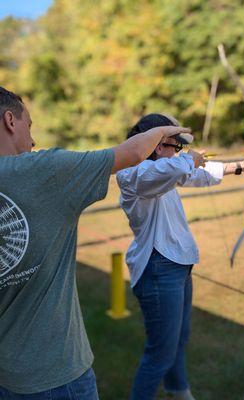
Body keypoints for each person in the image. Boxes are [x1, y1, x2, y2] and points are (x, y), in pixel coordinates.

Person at [0, 87, 191, 399]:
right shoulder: (42, 170)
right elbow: (130, 154)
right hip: (58, 375)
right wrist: (167, 130)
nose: (32, 140)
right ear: (10, 120)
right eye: (28, 126)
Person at [116, 113, 244, 400]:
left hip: (177, 266)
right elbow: (173, 170)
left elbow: (194, 173)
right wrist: (189, 158)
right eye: (176, 146)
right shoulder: (132, 175)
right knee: (160, 353)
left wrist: (241, 166)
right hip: (157, 269)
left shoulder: (165, 171)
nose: (179, 152)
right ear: (159, 146)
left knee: (178, 340)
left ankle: (178, 392)